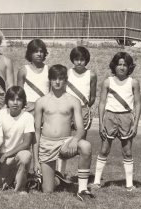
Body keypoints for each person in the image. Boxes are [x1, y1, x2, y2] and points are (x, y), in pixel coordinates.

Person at [33, 64, 94, 201]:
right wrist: (36, 160)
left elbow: (81, 128)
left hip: (65, 143)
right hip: (46, 144)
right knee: (47, 191)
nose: (57, 82)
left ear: (66, 80)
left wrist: (74, 139)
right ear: (50, 79)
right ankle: (57, 179)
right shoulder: (41, 101)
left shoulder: (73, 101)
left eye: (61, 78)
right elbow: (36, 132)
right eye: (54, 78)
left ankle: (82, 189)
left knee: (86, 146)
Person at [92, 52, 141, 192]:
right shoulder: (108, 81)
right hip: (110, 117)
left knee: (127, 151)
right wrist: (101, 123)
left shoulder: (134, 82)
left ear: (129, 67)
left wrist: (136, 123)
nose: (122, 67)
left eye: (125, 65)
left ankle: (129, 184)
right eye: (119, 64)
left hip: (126, 118)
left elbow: (138, 104)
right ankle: (96, 182)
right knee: (104, 149)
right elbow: (101, 102)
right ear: (114, 65)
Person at [56, 46, 97, 177]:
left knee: (81, 143)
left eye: (82, 59)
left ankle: (81, 175)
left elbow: (93, 96)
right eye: (76, 59)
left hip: (83, 110)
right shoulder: (67, 73)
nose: (79, 62)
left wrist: (83, 107)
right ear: (72, 60)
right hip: (67, 110)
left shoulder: (91, 75)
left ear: (86, 60)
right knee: (62, 141)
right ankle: (60, 174)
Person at [0, 86, 33, 193]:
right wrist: (0, 157)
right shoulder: (1, 114)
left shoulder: (28, 117)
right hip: (2, 158)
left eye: (19, 100)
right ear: (7, 101)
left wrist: (7, 154)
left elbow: (26, 143)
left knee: (25, 156)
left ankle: (20, 188)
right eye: (12, 99)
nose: (15, 103)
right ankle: (12, 178)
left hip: (17, 156)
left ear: (23, 101)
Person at [16, 39, 50, 115]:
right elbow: (19, 93)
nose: (39, 54)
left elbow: (51, 92)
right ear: (30, 53)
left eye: (41, 51)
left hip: (45, 108)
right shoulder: (23, 70)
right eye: (36, 51)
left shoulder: (48, 70)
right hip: (28, 108)